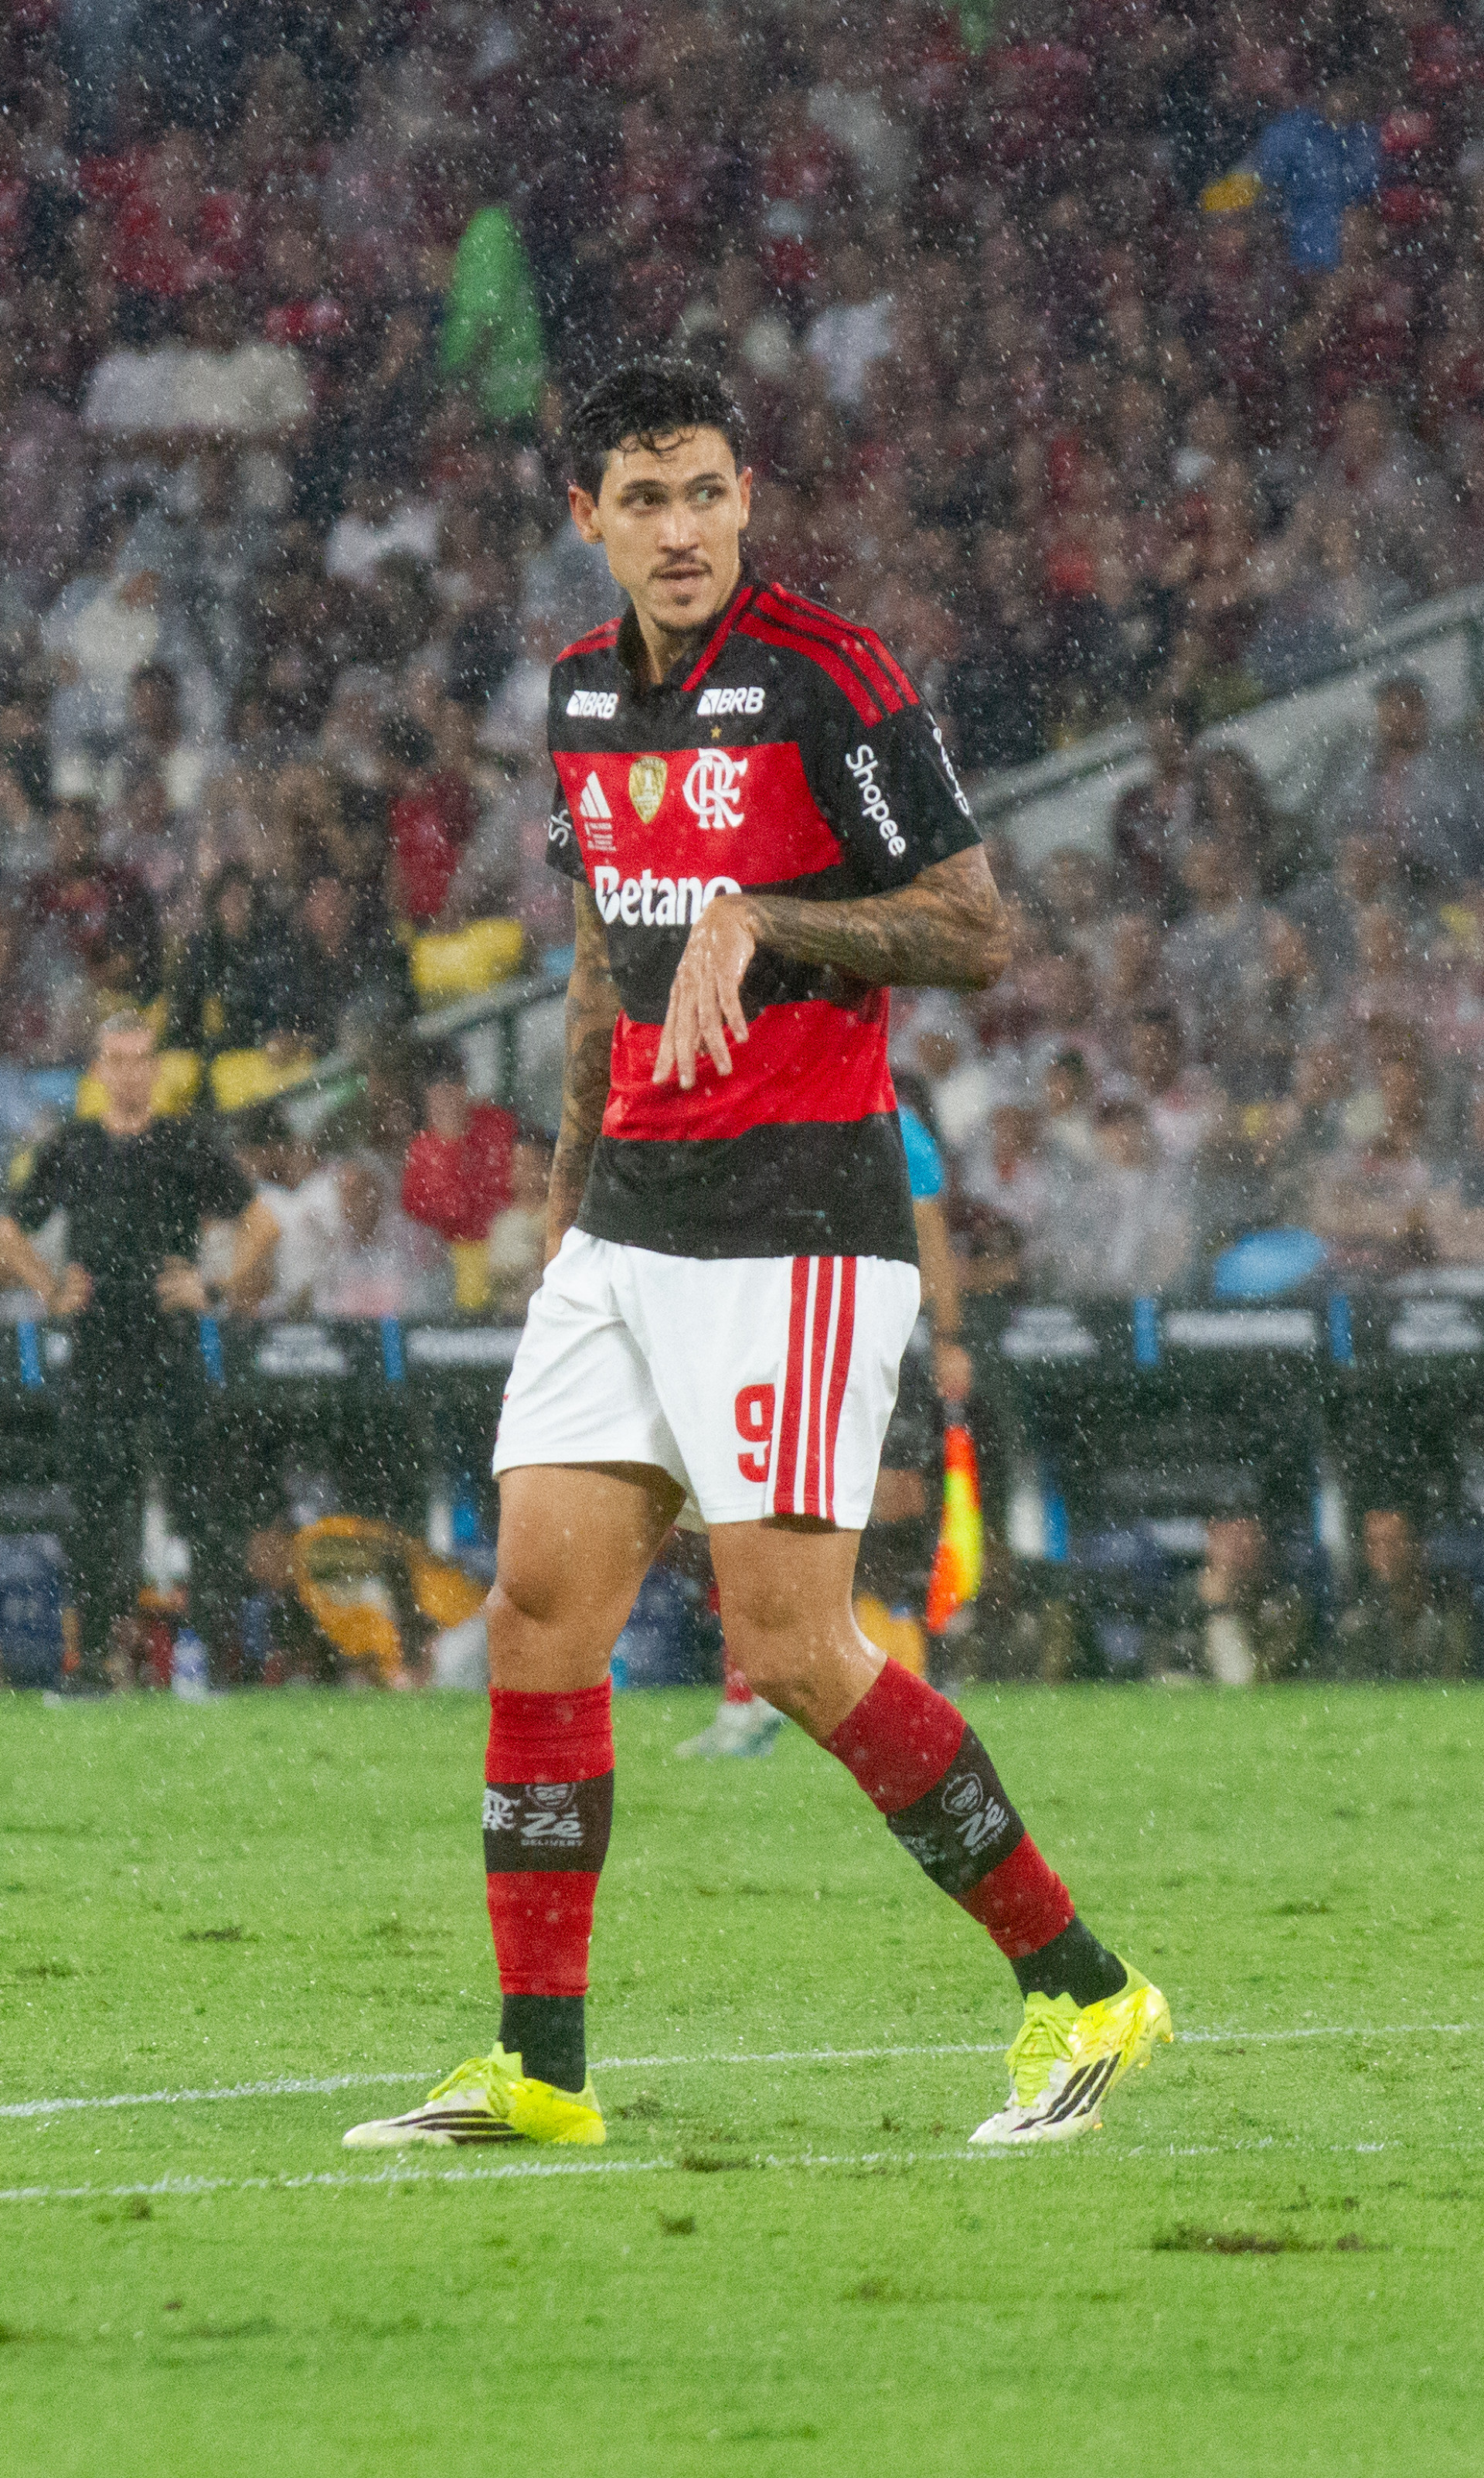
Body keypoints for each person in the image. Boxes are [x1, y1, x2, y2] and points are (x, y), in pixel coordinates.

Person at [345, 359, 1170, 2159]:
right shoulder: (577, 696)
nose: (679, 529)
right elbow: (593, 952)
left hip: (797, 1220)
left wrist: (764, 909)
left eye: (705, 492)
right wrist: (567, 1195)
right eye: (641, 500)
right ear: (587, 516)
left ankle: (1082, 1982)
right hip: (626, 1217)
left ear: (746, 495)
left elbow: (970, 921)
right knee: (543, 1612)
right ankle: (540, 2065)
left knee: (791, 1648)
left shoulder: (829, 673)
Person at [676, 1092, 972, 1756]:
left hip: (877, 1324)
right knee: (754, 1505)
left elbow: (929, 1227)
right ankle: (755, 1691)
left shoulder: (887, 1113)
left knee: (891, 1499)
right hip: (784, 1322)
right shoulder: (758, 1098)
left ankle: (898, 1658)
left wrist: (948, 1333)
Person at [0, 1014, 280, 1691]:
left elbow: (263, 1224)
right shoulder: (73, 1146)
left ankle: (217, 1661)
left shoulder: (185, 1142)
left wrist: (210, 1285)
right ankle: (95, 1661)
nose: (129, 1071)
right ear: (98, 1070)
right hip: (98, 1350)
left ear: (155, 1068)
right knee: (98, 1512)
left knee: (203, 1511)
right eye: (117, 1059)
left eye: (141, 1058)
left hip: (169, 1347)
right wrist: (47, 1285)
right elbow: (9, 1226)